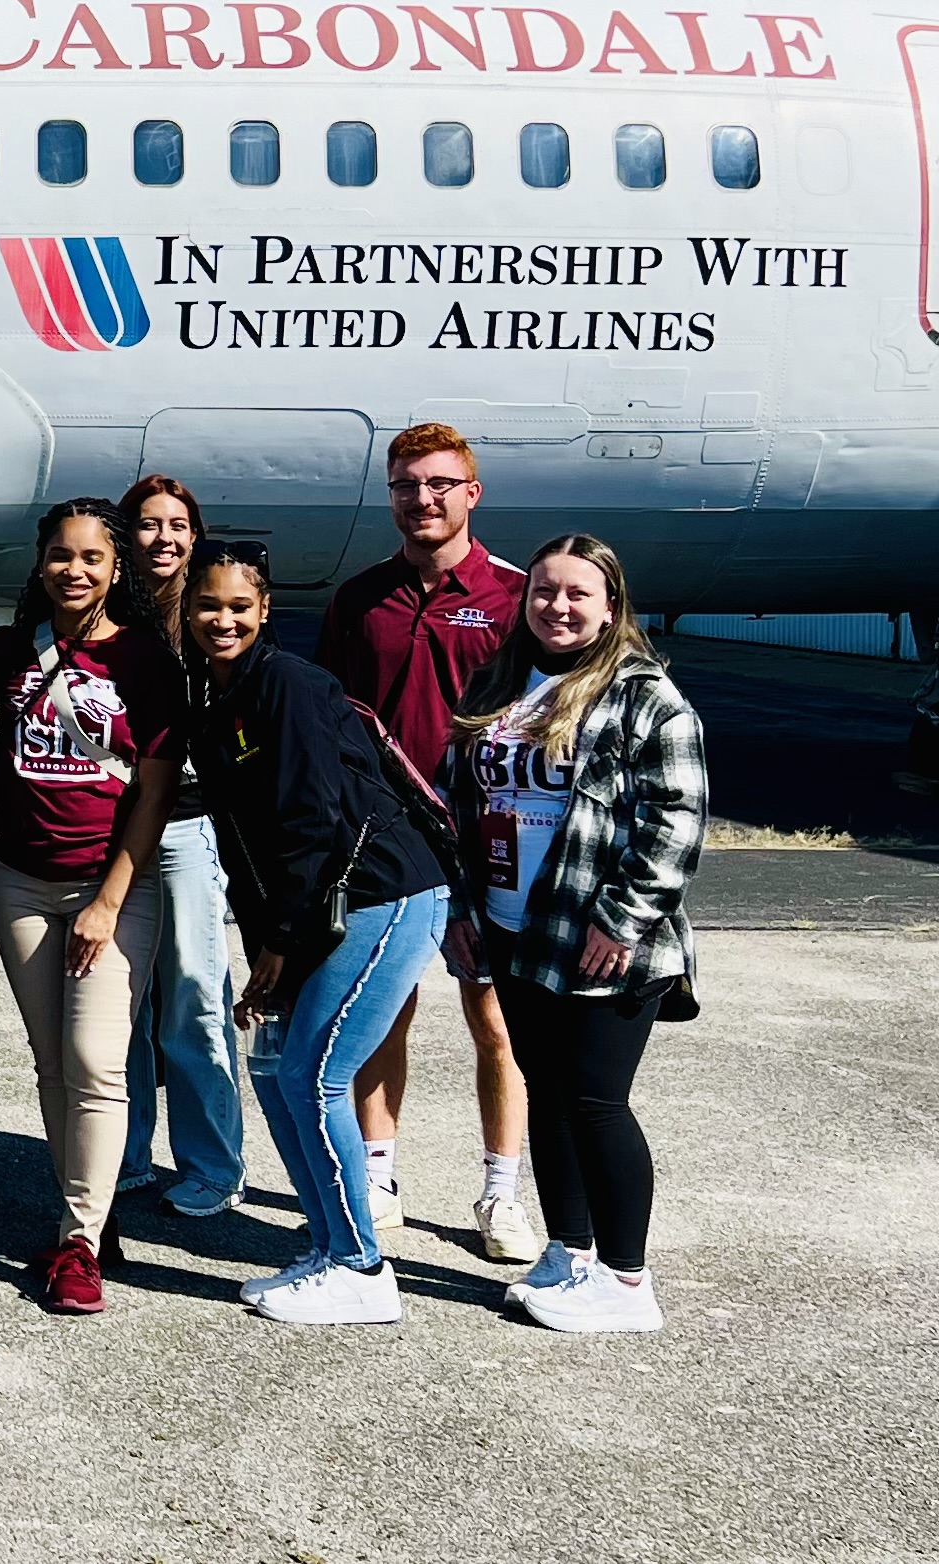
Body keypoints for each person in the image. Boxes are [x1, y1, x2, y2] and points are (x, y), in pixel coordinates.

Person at [180, 542, 457, 1327]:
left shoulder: (288, 687)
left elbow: (313, 823)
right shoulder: (218, 696)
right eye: (208, 606)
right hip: (309, 909)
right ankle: (329, 1239)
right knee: (272, 1072)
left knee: (315, 1076)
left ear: (265, 610)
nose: (222, 619)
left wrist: (279, 943)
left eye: (239, 606)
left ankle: (360, 1268)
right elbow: (244, 838)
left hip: (378, 897)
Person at [0, 500, 179, 1316]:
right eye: (60, 556)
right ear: (40, 564)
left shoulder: (143, 659)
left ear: (115, 569)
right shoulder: (7, 649)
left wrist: (108, 900)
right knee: (50, 1060)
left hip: (113, 887)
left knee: (97, 1060)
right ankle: (84, 1222)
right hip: (20, 884)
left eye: (92, 558)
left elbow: (155, 788)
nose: (75, 570)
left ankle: (78, 1242)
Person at [445, 536, 708, 1335]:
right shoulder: (502, 681)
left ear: (610, 605)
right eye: (542, 592)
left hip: (601, 937)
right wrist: (463, 909)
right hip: (514, 926)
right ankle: (569, 1252)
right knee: (547, 1095)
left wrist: (620, 920)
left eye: (575, 595)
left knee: (596, 1102)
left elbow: (676, 823)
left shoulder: (644, 697)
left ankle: (626, 1283)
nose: (556, 607)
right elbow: (462, 803)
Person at [316, 420, 539, 1263]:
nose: (423, 500)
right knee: (382, 1014)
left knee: (493, 1019)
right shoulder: (359, 597)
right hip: (386, 844)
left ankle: (500, 1193)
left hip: (488, 842)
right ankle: (377, 1179)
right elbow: (334, 718)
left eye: (440, 484)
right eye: (407, 485)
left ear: (471, 494)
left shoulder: (516, 597)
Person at [107, 473, 246, 1218]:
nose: (163, 537)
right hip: (112, 828)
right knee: (116, 1001)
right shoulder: (105, 613)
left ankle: (212, 1166)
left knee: (194, 999)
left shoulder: (213, 611)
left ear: (195, 535)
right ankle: (124, 1153)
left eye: (177, 524)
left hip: (188, 829)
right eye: (147, 524)